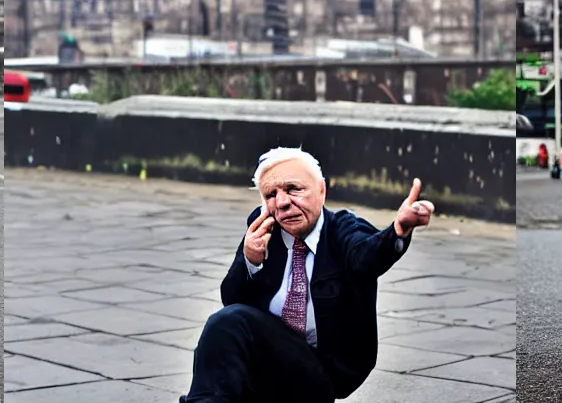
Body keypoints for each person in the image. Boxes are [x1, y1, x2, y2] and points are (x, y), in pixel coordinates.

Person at [181, 147, 434, 403]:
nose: (282, 202)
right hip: (266, 366)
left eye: (292, 189)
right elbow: (232, 299)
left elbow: (367, 256)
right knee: (223, 329)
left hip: (324, 373)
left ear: (321, 191)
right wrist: (250, 260)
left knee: (229, 323)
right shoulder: (264, 230)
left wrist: (398, 231)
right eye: (271, 194)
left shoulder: (342, 229)